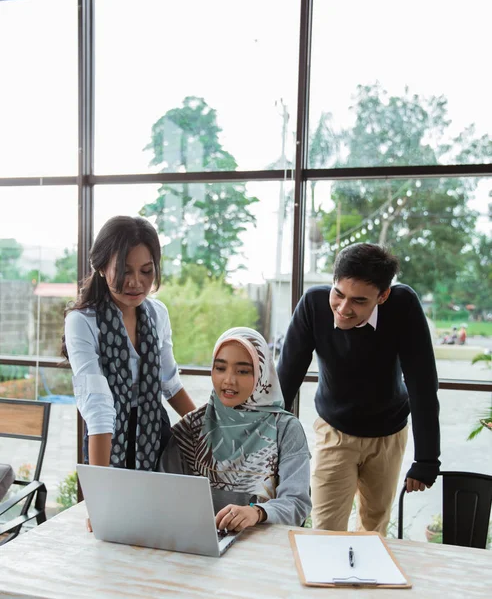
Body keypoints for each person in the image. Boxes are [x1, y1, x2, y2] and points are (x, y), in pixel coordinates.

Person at [277, 243, 440, 535]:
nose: (343, 308)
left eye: (359, 301)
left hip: (388, 434)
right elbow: (286, 379)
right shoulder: (314, 305)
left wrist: (427, 459)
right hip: (335, 431)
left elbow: (423, 384)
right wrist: (267, 448)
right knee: (325, 530)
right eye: (338, 294)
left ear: (383, 296)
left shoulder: (403, 306)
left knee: (373, 530)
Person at [63, 215, 195, 471]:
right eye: (124, 271)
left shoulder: (157, 314)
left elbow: (170, 383)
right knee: (110, 510)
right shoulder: (82, 321)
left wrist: (208, 431)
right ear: (102, 267)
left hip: (155, 435)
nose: (136, 282)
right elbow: (98, 407)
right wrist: (102, 492)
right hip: (106, 439)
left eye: (146, 271)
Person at [160, 327, 311, 531]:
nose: (229, 380)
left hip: (264, 547)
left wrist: (257, 512)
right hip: (198, 546)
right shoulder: (191, 428)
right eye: (220, 368)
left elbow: (297, 503)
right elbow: (163, 495)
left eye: (242, 371)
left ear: (261, 373)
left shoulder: (285, 429)